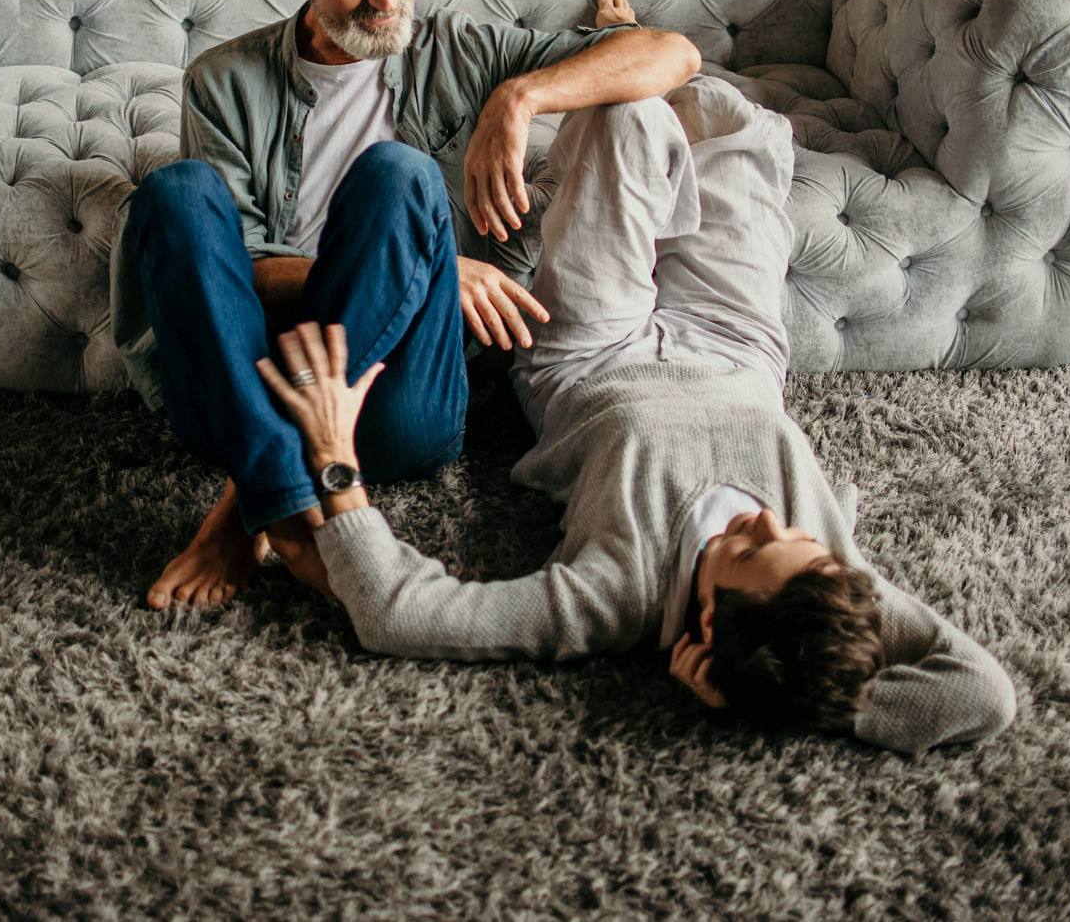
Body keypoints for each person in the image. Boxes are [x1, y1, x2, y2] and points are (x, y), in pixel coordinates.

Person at [253, 70, 1018, 754]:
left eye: (749, 549)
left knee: (629, 114)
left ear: (708, 629)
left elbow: (399, 615)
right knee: (735, 123)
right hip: (738, 351)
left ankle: (618, 78)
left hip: (592, 361)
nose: (767, 521)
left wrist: (332, 458)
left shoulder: (620, 593)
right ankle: (629, 51)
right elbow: (985, 692)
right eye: (790, 536)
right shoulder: (829, 576)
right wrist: (825, 694)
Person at [109, 0, 701, 612]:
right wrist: (436, 267)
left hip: (395, 402)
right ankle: (285, 495)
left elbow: (671, 52)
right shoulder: (222, 82)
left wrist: (517, 99)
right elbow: (234, 267)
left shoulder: (458, 50)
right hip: (244, 379)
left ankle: (251, 501)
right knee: (175, 192)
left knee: (402, 174)